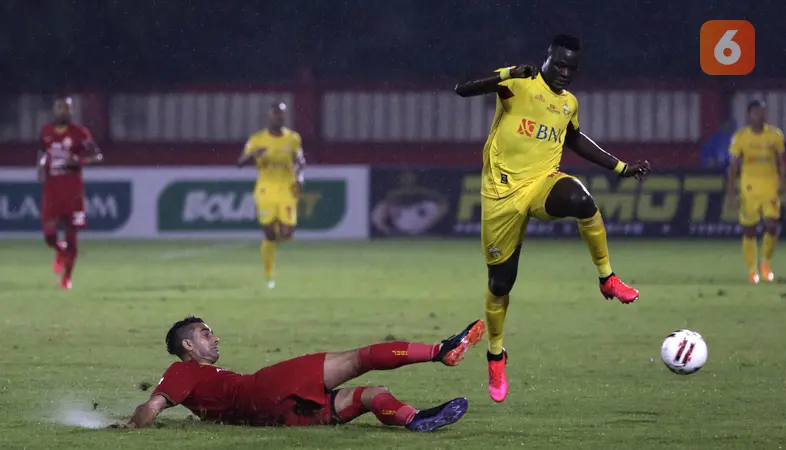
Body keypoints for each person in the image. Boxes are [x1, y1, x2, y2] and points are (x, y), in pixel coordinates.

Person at [454, 34, 651, 403]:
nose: (564, 73)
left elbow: (573, 139)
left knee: (580, 198)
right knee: (501, 284)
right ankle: (496, 355)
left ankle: (607, 278)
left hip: (542, 183)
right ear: (547, 58)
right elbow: (462, 88)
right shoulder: (518, 82)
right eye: (559, 64)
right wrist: (509, 71)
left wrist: (620, 166)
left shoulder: (568, 104)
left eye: (571, 68)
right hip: (501, 195)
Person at [112, 317, 485, 431]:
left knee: (371, 394)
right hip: (263, 389)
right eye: (206, 333)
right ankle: (441, 350)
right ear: (188, 346)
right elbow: (154, 405)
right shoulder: (182, 369)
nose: (216, 336)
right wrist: (131, 427)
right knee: (359, 358)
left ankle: (416, 419)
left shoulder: (201, 378)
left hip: (276, 417)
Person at [236, 102, 306, 289]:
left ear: (284, 116)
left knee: (287, 233)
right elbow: (240, 162)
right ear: (269, 116)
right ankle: (269, 275)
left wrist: (300, 179)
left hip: (287, 189)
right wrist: (254, 154)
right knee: (269, 233)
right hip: (266, 189)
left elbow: (300, 161)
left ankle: (274, 240)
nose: (278, 117)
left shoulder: (293, 139)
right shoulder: (257, 139)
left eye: (281, 114)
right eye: (275, 114)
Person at [37, 95, 103, 290]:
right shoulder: (46, 131)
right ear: (54, 110)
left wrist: (80, 161)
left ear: (70, 110)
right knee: (49, 235)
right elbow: (42, 153)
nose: (62, 111)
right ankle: (59, 250)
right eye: (59, 107)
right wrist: (40, 167)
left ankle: (67, 277)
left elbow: (97, 155)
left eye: (66, 108)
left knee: (71, 234)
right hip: (52, 187)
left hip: (73, 187)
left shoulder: (80, 133)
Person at [727, 99, 786, 283]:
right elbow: (733, 166)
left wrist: (785, 189)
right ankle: (752, 270)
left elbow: (781, 163)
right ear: (749, 115)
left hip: (770, 187)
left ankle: (765, 263)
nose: (759, 116)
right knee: (749, 230)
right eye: (755, 112)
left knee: (771, 224)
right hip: (749, 188)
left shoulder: (775, 135)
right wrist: (731, 193)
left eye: (762, 112)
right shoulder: (741, 137)